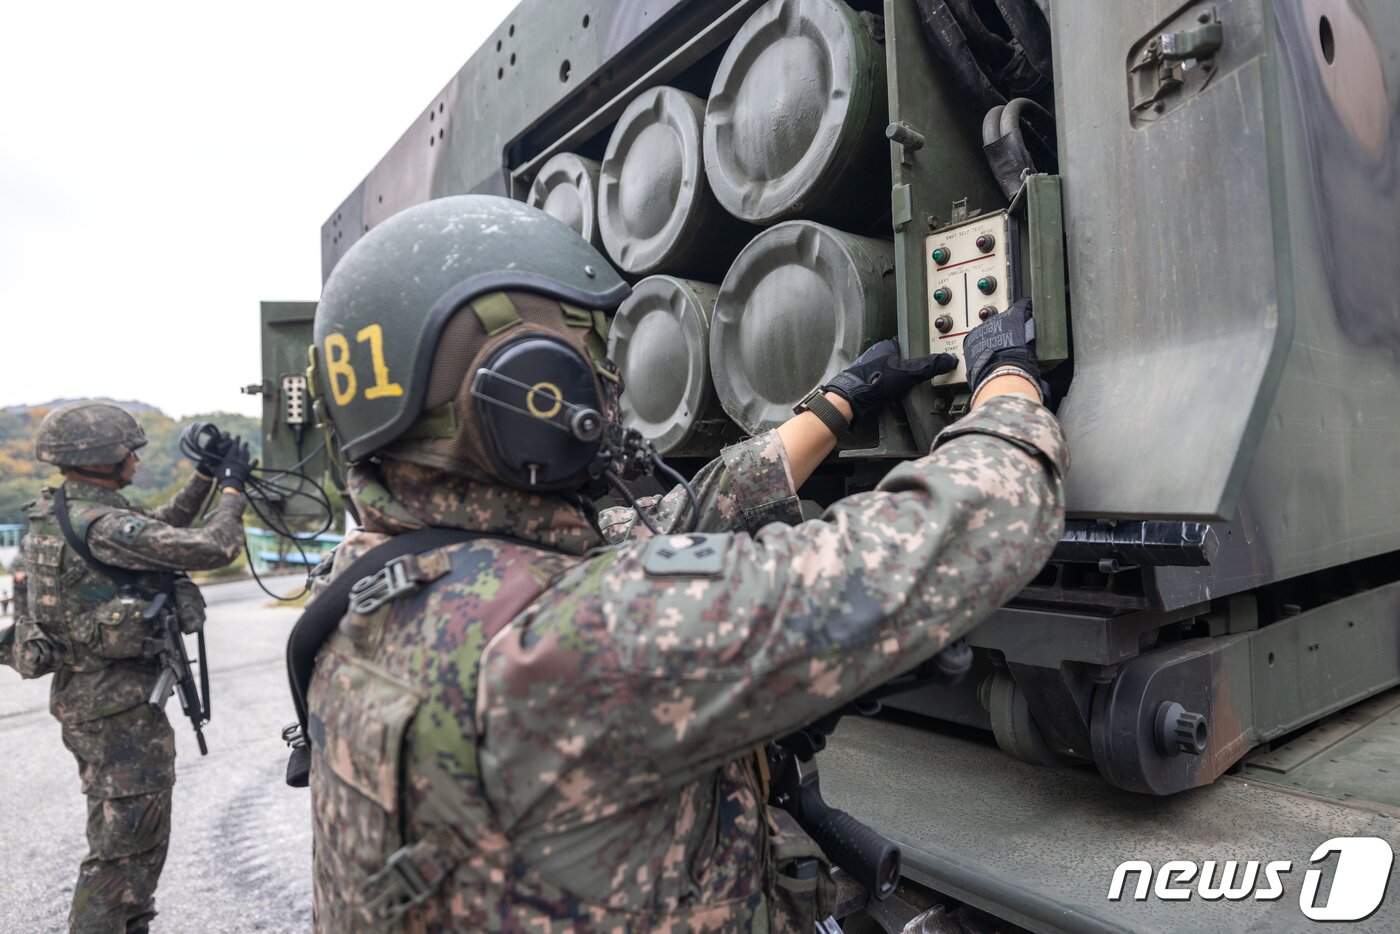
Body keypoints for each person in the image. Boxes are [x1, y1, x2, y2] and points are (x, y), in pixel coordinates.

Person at [299, 195, 1066, 931]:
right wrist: (1005, 383)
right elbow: (969, 523)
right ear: (535, 393)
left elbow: (651, 528)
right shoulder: (585, 639)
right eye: (589, 360)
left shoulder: (370, 585)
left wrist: (835, 406)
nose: (607, 389)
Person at [2, 401, 252, 934]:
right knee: (121, 857)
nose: (136, 459)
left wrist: (205, 476)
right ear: (104, 457)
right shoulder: (103, 526)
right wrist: (232, 491)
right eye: (130, 451)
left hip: (96, 703)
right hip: (116, 713)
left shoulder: (66, 512)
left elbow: (157, 526)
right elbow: (215, 546)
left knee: (131, 847)